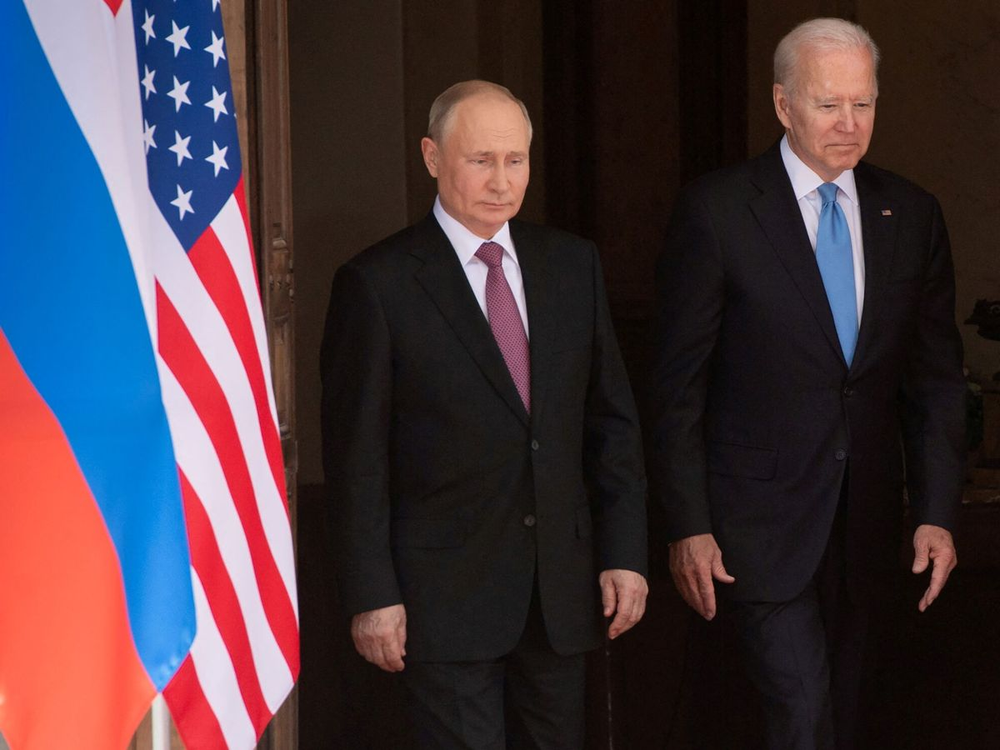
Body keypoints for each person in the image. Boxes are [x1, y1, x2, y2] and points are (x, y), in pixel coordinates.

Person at [651, 17, 965, 750]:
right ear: (783, 104)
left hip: (870, 530)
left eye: (864, 104)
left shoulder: (911, 213)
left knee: (850, 719)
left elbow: (936, 381)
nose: (849, 125)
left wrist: (937, 510)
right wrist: (688, 524)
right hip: (755, 528)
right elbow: (677, 388)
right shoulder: (719, 211)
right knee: (801, 713)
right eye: (829, 105)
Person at [321, 79, 648, 749]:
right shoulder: (378, 284)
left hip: (559, 595)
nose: (502, 181)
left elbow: (609, 423)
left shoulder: (571, 265)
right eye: (480, 161)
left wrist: (624, 553)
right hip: (442, 599)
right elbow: (358, 456)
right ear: (432, 156)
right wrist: (371, 593)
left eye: (516, 160)